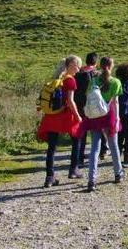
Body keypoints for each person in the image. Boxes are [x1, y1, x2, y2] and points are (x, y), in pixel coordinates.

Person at [37, 55, 82, 187]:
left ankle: (49, 177)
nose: (78, 70)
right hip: (66, 116)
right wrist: (78, 116)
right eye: (77, 66)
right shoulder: (70, 81)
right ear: (71, 65)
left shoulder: (55, 79)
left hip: (51, 116)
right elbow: (70, 101)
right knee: (77, 138)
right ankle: (73, 169)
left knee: (51, 147)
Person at [81, 57, 124, 192]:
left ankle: (91, 180)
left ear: (100, 65)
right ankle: (118, 173)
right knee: (113, 146)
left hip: (94, 117)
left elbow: (88, 96)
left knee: (94, 148)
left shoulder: (93, 80)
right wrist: (117, 119)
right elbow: (115, 102)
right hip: (109, 115)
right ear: (111, 66)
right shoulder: (116, 82)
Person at [73, 52, 98, 171]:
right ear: (95, 62)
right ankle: (99, 152)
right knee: (97, 130)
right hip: (91, 106)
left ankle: (80, 157)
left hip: (79, 105)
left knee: (81, 131)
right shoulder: (95, 74)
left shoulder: (78, 73)